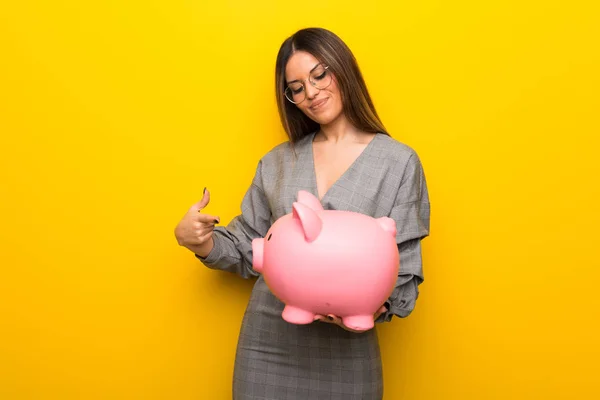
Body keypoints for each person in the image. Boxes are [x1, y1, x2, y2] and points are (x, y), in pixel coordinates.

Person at [174, 27, 431, 400]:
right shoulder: (277, 161)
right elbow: (250, 248)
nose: (310, 93)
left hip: (347, 350)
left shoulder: (399, 162)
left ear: (343, 69)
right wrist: (200, 241)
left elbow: (404, 268)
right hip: (269, 344)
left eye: (319, 75)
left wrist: (376, 309)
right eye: (296, 88)